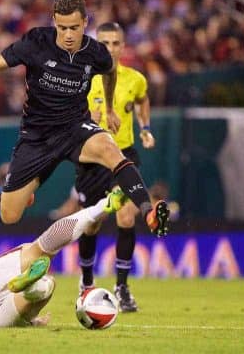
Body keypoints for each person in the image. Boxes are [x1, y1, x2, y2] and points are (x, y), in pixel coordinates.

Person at [0, 0, 169, 238]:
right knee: (9, 216)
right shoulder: (37, 41)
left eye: (74, 27)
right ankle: (28, 187)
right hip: (36, 136)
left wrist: (107, 108)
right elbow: (1, 60)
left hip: (75, 128)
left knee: (110, 149)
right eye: (62, 27)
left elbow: (110, 73)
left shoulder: (95, 52)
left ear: (85, 22)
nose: (68, 35)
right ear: (54, 21)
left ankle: (148, 209)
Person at [0, 189, 129, 327]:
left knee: (46, 285)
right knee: (36, 249)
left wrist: (33, 322)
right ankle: (102, 206)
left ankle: (29, 289)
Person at [74, 22, 156, 312]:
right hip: (93, 156)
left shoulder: (135, 79)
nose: (110, 48)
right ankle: (86, 283)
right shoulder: (82, 78)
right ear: (97, 45)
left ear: (123, 46)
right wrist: (88, 119)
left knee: (126, 215)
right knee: (92, 222)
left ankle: (121, 287)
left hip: (123, 154)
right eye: (104, 43)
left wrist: (145, 127)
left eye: (115, 43)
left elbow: (143, 100)